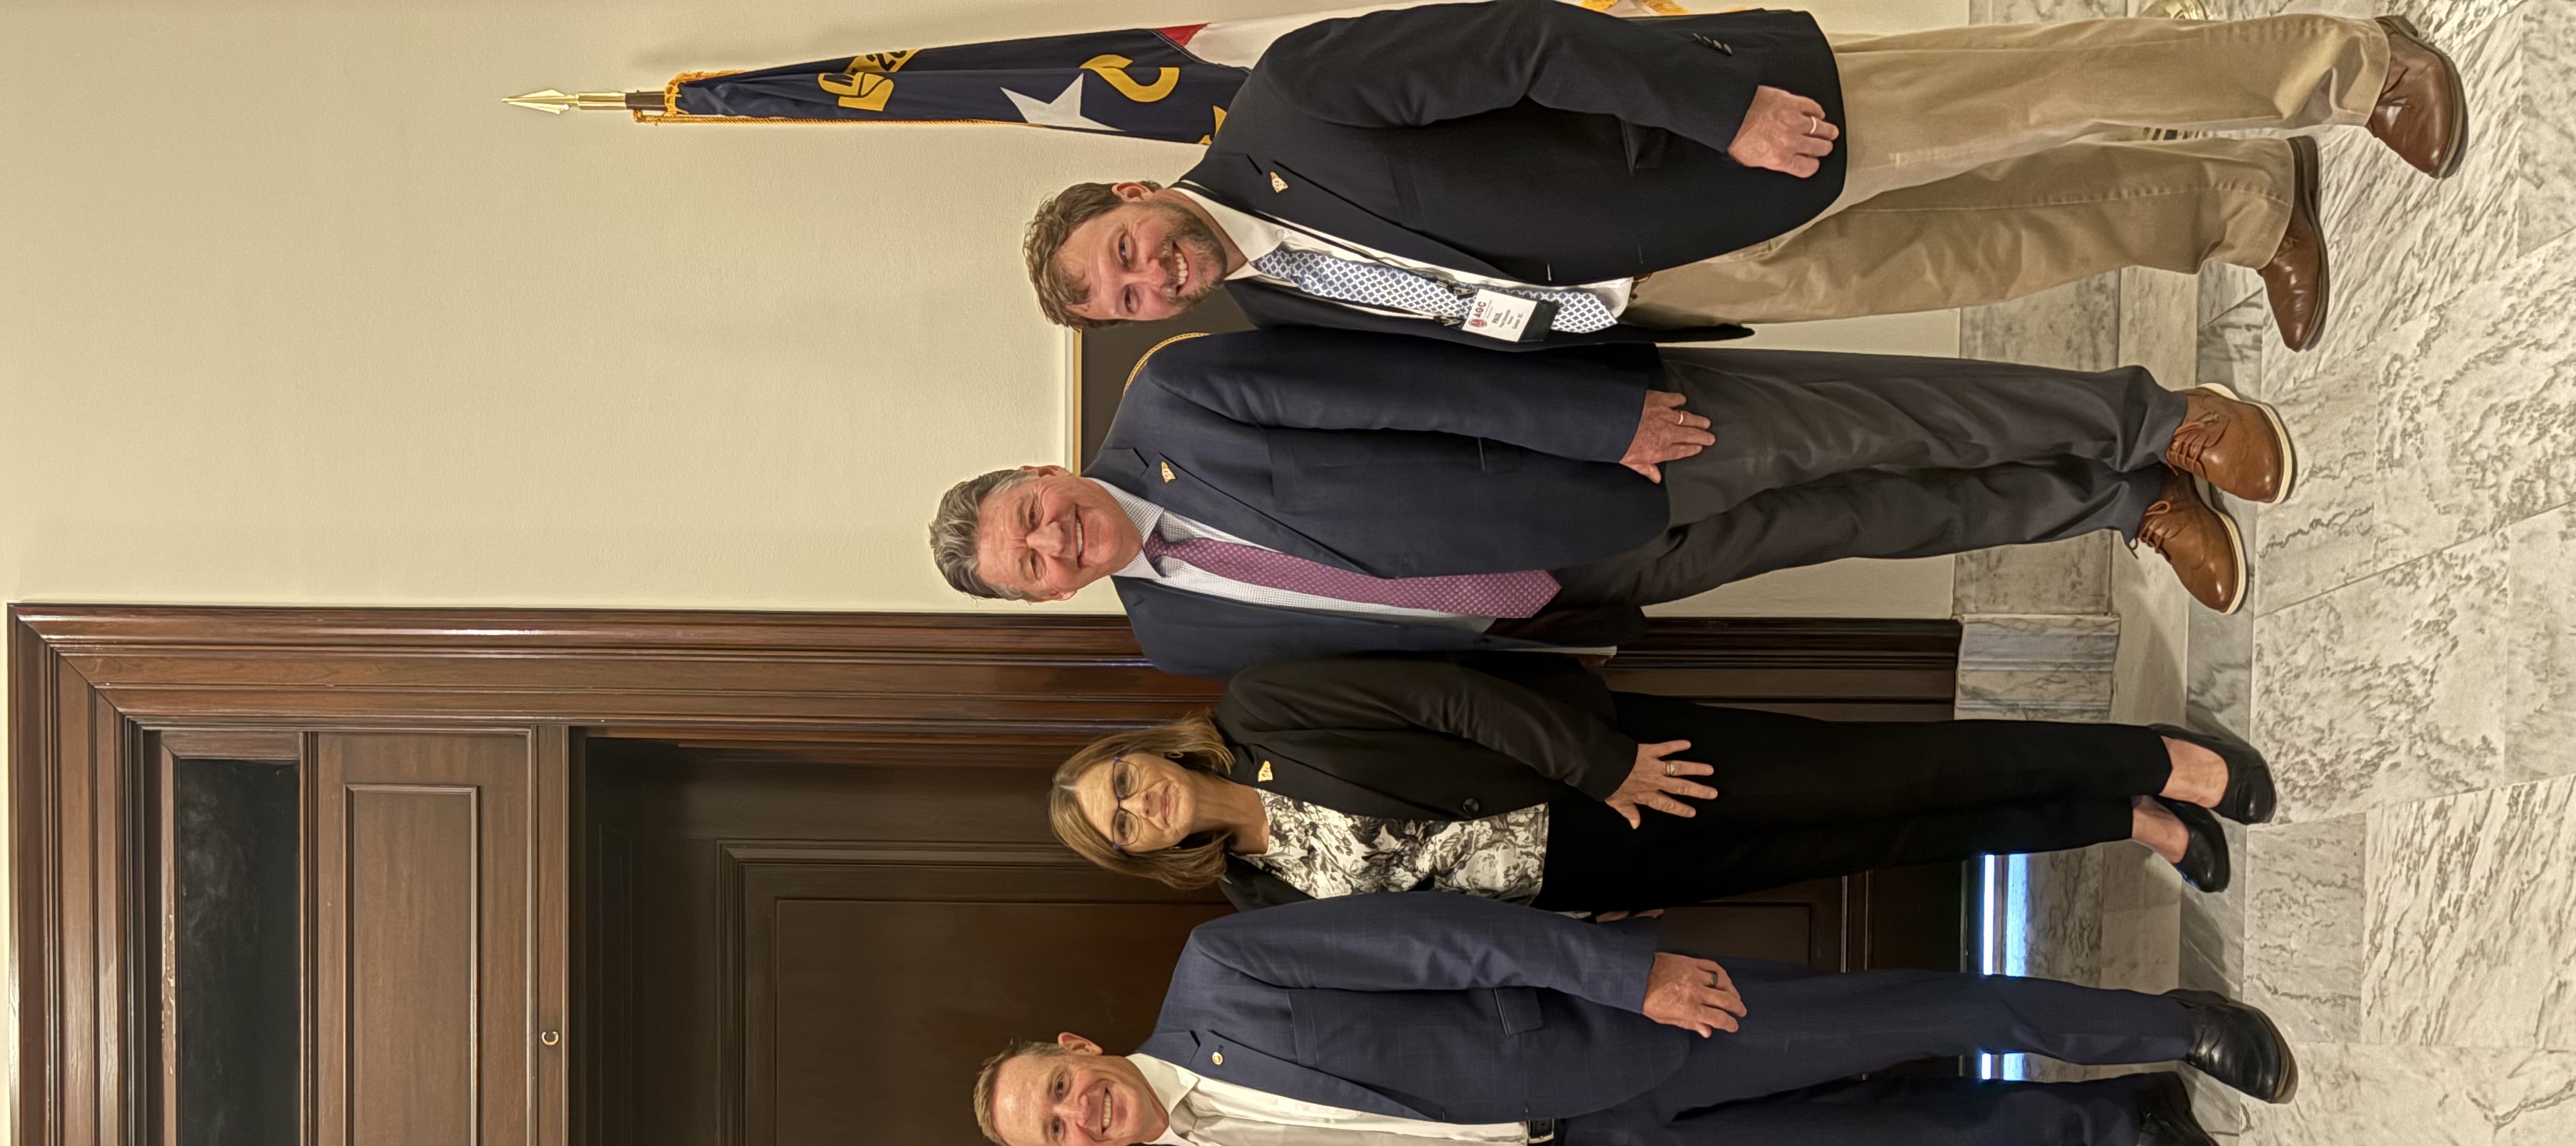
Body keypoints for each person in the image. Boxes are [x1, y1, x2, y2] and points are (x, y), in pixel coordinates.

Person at [1026, 5, 2469, 352]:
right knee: (1998, 244)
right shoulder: (1283, 304)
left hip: (1725, 133)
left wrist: (1720, 111)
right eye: (1128, 304)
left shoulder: (1289, 102)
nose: (1152, 281)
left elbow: (1526, 40)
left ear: (1125, 201)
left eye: (1126, 257)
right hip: (1675, 276)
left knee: (2043, 86)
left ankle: (2349, 67)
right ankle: (2244, 205)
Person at [927, 327, 2290, 680]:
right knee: (1883, 518)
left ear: (1042, 477)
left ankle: (2163, 419)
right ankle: (2124, 507)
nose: (1054, 546)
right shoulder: (1169, 635)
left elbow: (1386, 384)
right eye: (1031, 571)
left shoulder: (1170, 405)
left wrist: (1598, 418)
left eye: (1029, 519)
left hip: (1606, 450)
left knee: (1891, 420)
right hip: (1590, 582)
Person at [971, 889, 2295, 1146]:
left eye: (1059, 1080)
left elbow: (1435, 940)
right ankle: (2116, 1121)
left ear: (1078, 1048)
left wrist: (1625, 974)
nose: (1076, 1107)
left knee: (1904, 1016)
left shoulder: (1219, 973)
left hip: (1616, 1030)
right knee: (1898, 1136)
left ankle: (2163, 1028)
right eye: (1057, 1129)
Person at [1050, 652, 2273, 906]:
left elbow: (1444, 698)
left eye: (1124, 780)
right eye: (1123, 823)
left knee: (1890, 771)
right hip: (1604, 868)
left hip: (1614, 773)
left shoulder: (1264, 704)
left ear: (1145, 754)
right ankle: (2119, 816)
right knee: (1885, 843)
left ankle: (2155, 755)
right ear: (1140, 851)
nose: (1140, 803)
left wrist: (1605, 763)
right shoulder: (1253, 898)